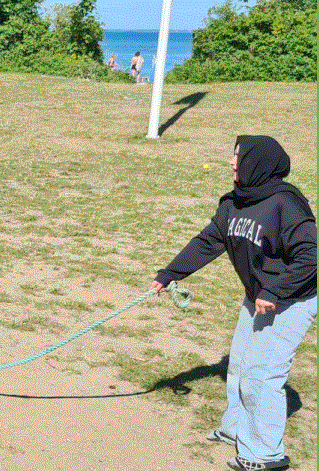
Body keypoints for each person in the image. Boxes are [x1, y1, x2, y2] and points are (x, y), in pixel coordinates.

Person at [150, 136, 316, 471]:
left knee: (263, 374)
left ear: (257, 162)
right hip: (259, 296)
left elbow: (310, 256)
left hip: (291, 299)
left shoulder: (287, 204)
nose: (231, 162)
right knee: (239, 366)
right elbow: (208, 242)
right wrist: (169, 274)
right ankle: (238, 429)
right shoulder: (236, 202)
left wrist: (275, 292)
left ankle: (265, 453)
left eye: (237, 156)